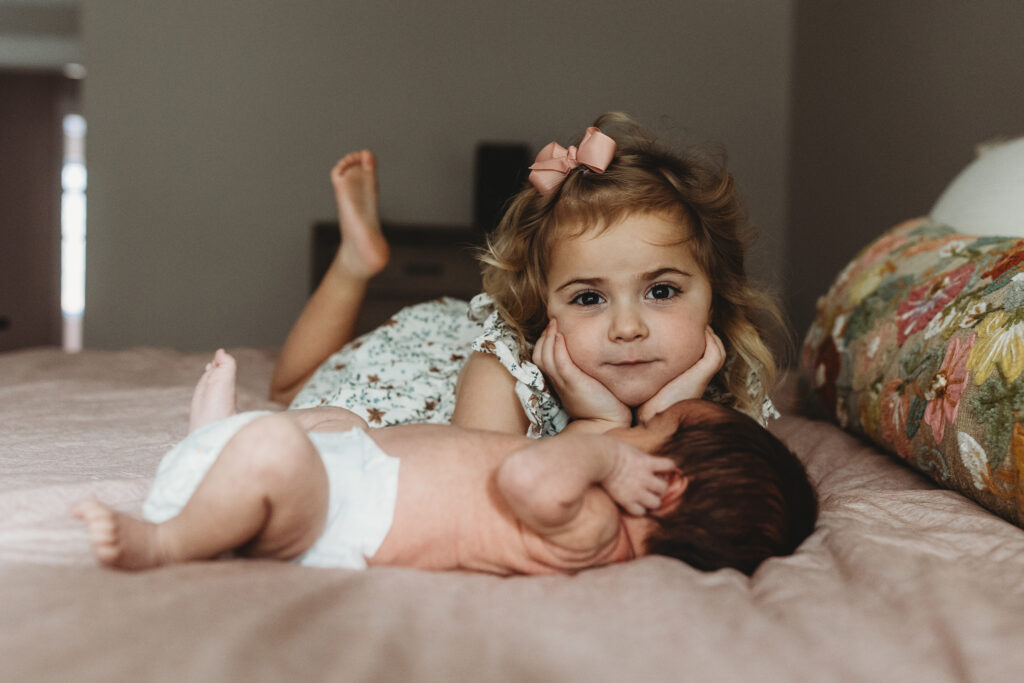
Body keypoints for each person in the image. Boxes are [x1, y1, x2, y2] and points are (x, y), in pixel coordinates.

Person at [74, 350, 817, 576]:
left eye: (650, 425)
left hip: (335, 519)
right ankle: (215, 442)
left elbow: (529, 475)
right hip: (350, 469)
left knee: (277, 449)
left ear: (669, 483)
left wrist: (604, 457)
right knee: (340, 422)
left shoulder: (596, 527)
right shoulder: (595, 497)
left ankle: (165, 537)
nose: (626, 426)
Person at [271, 113, 785, 438]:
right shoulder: (505, 373)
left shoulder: (728, 385)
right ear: (543, 307)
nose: (628, 328)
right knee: (286, 393)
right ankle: (355, 261)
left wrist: (672, 416)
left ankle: (358, 260)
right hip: (417, 369)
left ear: (714, 297)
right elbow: (475, 489)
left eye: (662, 291)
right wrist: (611, 425)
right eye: (588, 298)